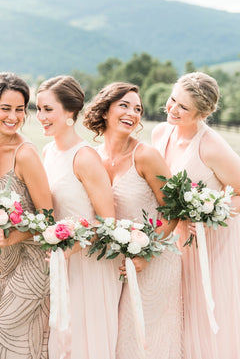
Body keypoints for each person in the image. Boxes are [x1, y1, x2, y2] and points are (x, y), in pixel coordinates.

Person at [84, 82, 181, 358]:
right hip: (115, 265)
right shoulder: (95, 158)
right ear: (105, 111)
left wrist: (148, 254)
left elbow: (174, 210)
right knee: (116, 339)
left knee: (143, 342)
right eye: (124, 105)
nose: (132, 113)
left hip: (155, 262)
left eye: (137, 108)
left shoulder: (146, 156)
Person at [152, 72, 240, 358]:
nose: (172, 109)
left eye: (183, 108)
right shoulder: (160, 133)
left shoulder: (211, 146)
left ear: (203, 113)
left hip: (208, 244)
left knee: (201, 311)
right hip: (170, 240)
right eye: (173, 99)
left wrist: (211, 214)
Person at [36, 75, 119, 359]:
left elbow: (109, 223)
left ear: (70, 112)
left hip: (88, 265)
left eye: (48, 109)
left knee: (84, 343)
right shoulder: (47, 151)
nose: (40, 117)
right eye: (38, 109)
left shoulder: (84, 157)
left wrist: (74, 245)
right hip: (59, 263)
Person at [0, 72, 52, 359]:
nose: (13, 117)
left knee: (3, 336)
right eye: (5, 108)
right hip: (2, 268)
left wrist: (17, 235)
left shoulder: (26, 154)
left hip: (32, 266)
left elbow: (49, 220)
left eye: (20, 109)